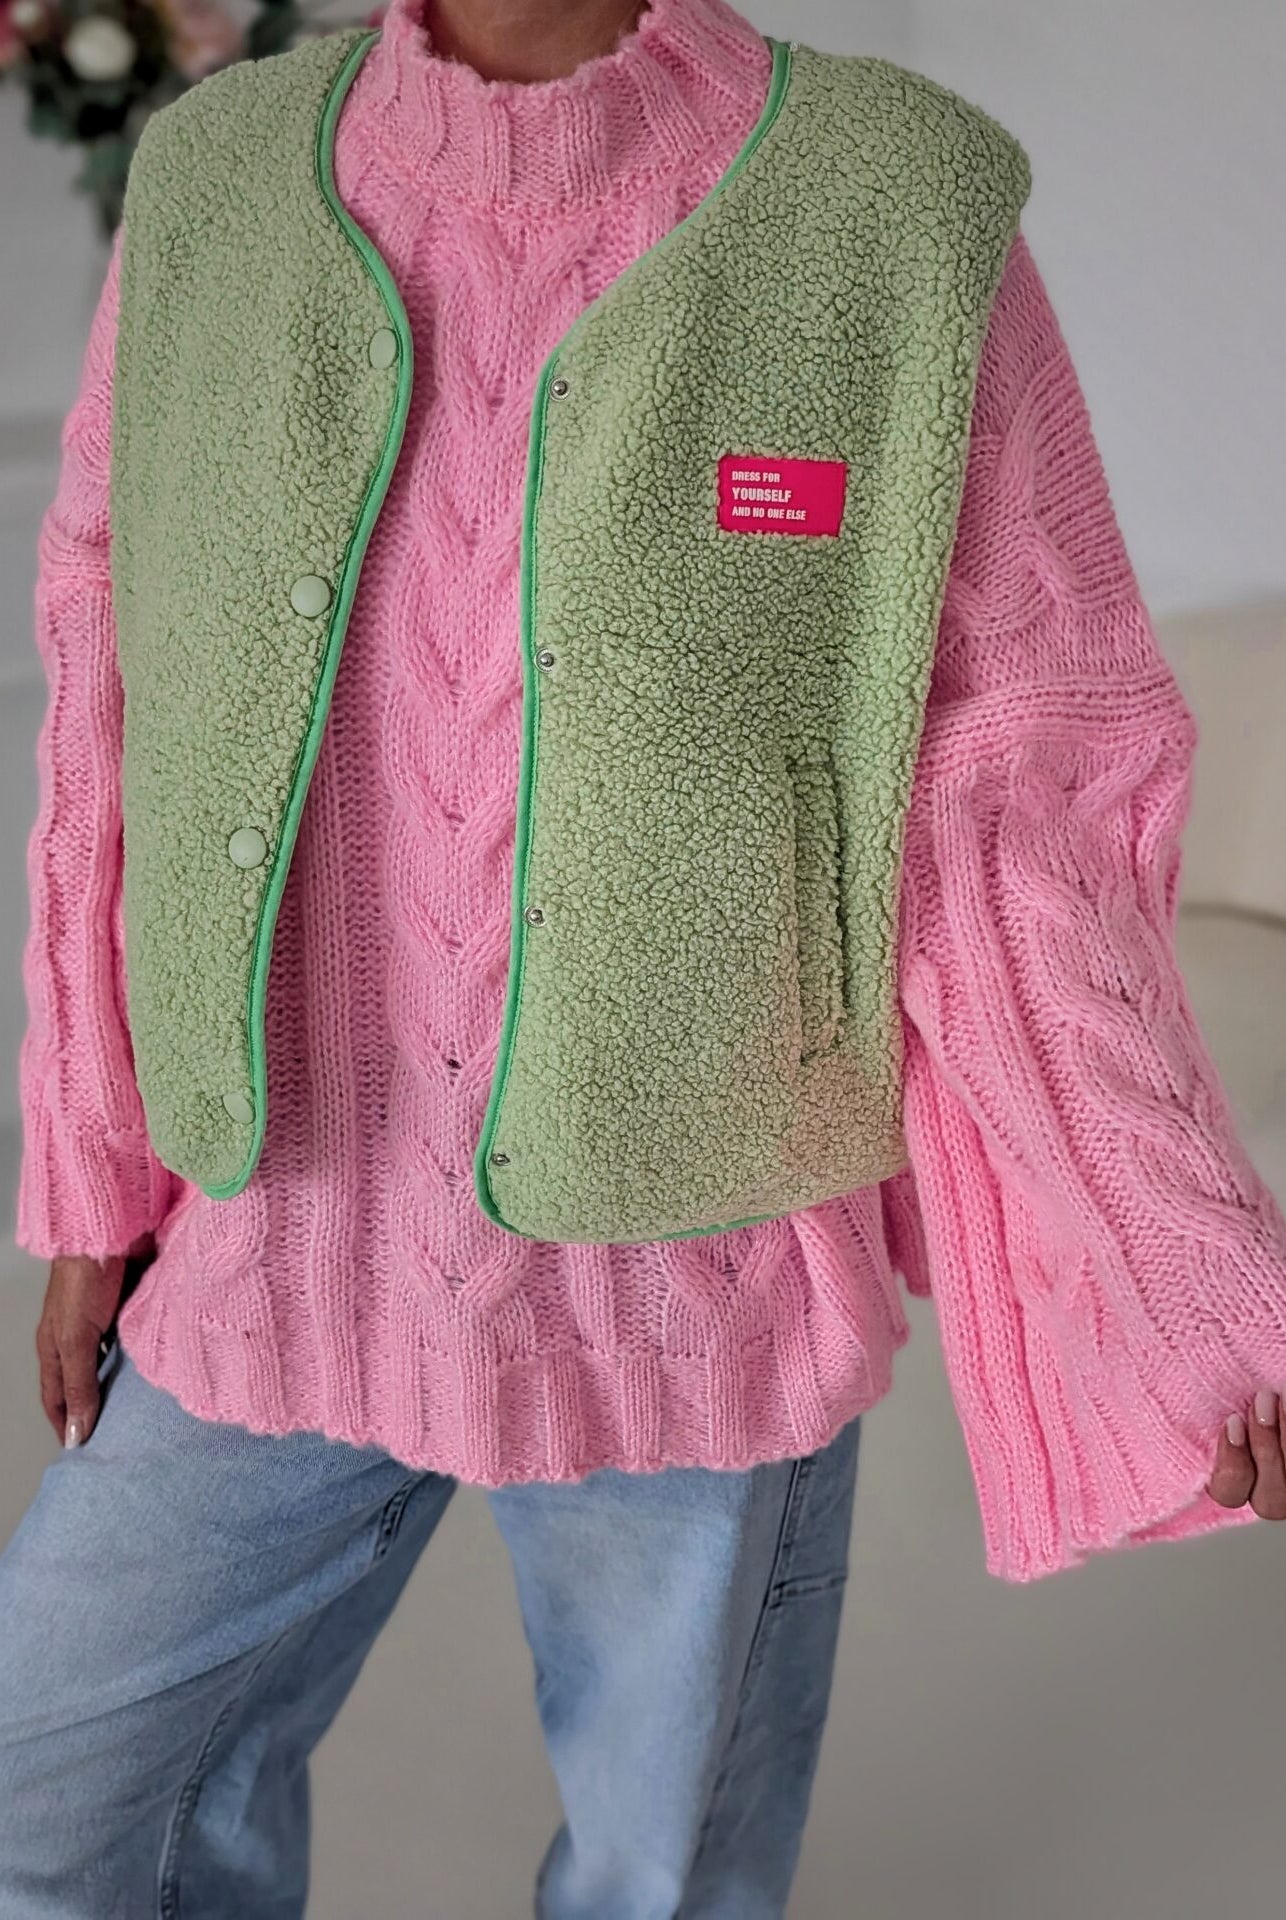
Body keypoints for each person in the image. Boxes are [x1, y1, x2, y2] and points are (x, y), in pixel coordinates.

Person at [4, 0, 1286, 1912]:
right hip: (282, 1227)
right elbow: (115, 670)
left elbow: (1023, 782)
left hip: (706, 1273)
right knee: (50, 1797)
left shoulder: (886, 205)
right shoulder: (218, 177)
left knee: (669, 1879)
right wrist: (96, 1165)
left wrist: (1181, 1270)